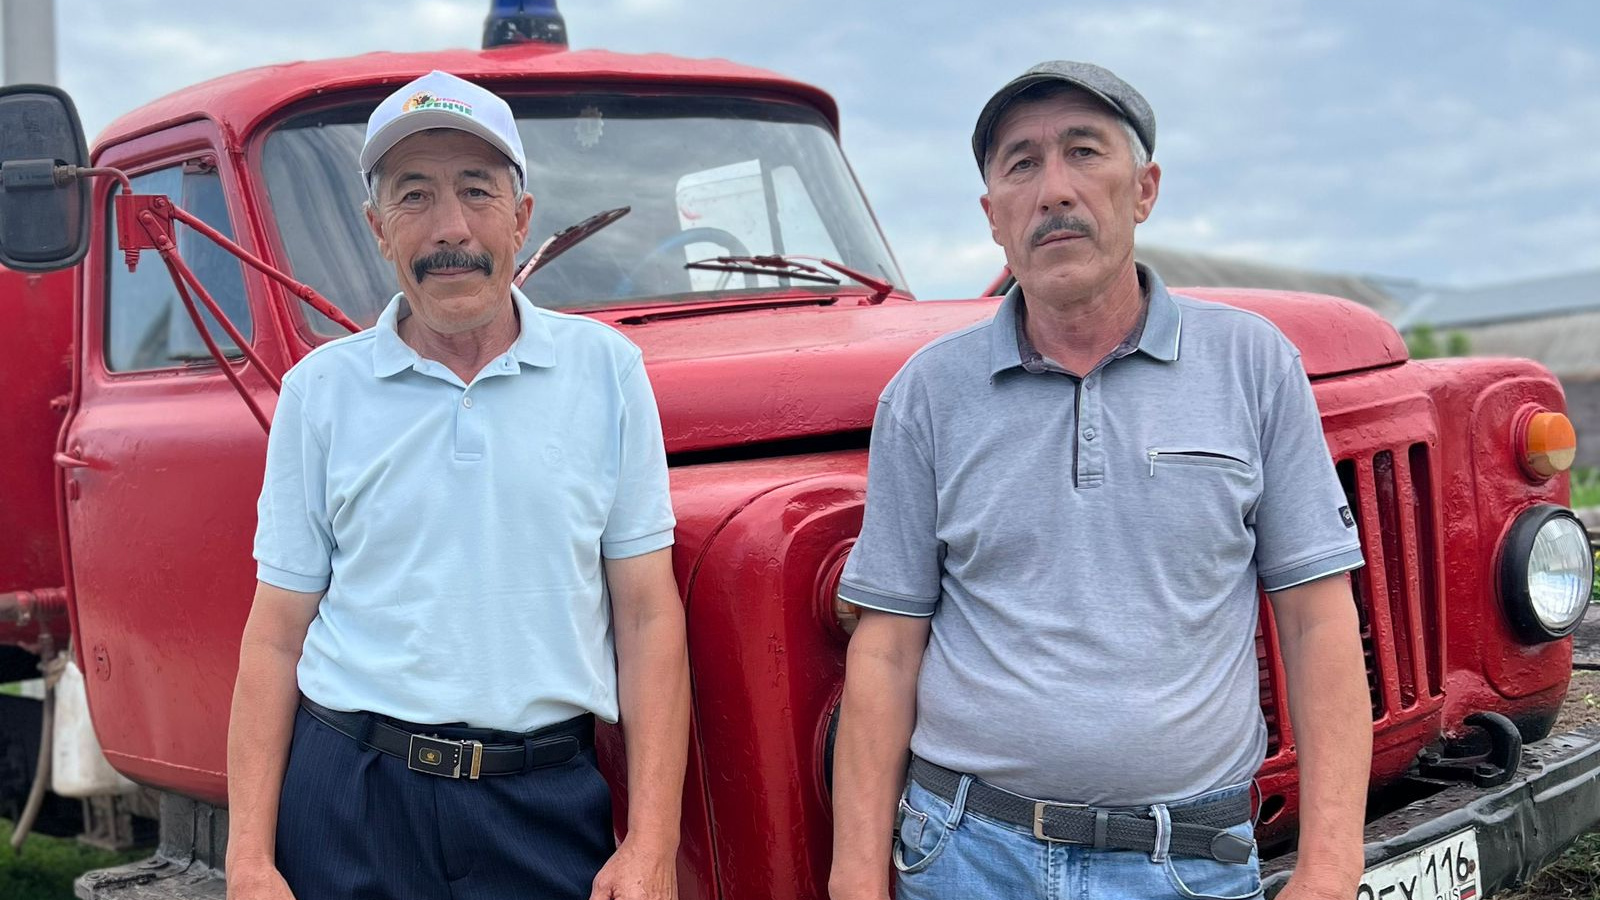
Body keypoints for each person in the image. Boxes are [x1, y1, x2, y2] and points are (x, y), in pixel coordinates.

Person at [829, 60, 1372, 900]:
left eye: (1085, 152)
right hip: (963, 856)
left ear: (1144, 189)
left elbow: (1316, 622)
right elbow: (888, 647)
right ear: (993, 217)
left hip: (1187, 860)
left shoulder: (1253, 365)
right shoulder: (926, 396)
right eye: (1021, 164)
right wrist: (855, 877)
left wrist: (1332, 865)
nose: (1053, 189)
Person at [224, 70, 687, 900]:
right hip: (350, 802)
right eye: (414, 196)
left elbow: (648, 614)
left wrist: (652, 843)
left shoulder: (608, 373)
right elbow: (275, 636)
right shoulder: (319, 392)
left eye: (477, 191)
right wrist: (250, 862)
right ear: (376, 229)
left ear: (521, 216)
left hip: (542, 801)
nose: (451, 229)